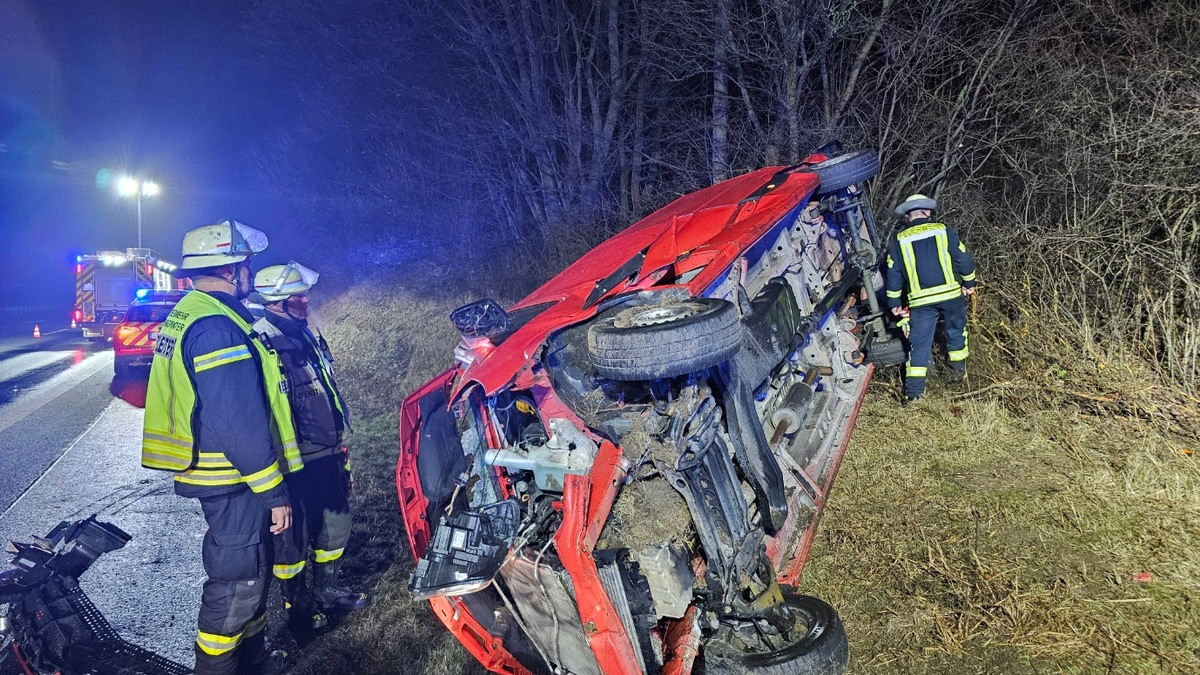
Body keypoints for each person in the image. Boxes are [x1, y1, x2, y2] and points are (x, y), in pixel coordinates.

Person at [141, 220, 302, 675]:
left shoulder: (199, 311)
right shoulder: (216, 326)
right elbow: (237, 421)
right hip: (234, 478)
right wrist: (274, 492)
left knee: (255, 571)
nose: (251, 272)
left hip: (232, 475)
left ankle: (252, 660)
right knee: (238, 583)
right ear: (232, 270)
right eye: (247, 264)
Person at [250, 262, 369, 632]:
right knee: (292, 541)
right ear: (277, 302)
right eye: (298, 296)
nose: (306, 300)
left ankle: (328, 590)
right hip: (292, 458)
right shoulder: (260, 339)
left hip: (326, 450)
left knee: (335, 525)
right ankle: (297, 608)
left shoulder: (305, 331)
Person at [885, 194, 977, 402]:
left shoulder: (899, 240)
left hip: (920, 303)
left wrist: (894, 304)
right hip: (951, 296)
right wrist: (969, 284)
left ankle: (914, 394)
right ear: (927, 213)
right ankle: (957, 377)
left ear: (908, 216)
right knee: (956, 334)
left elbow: (893, 274)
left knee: (919, 345)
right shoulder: (943, 230)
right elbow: (963, 257)